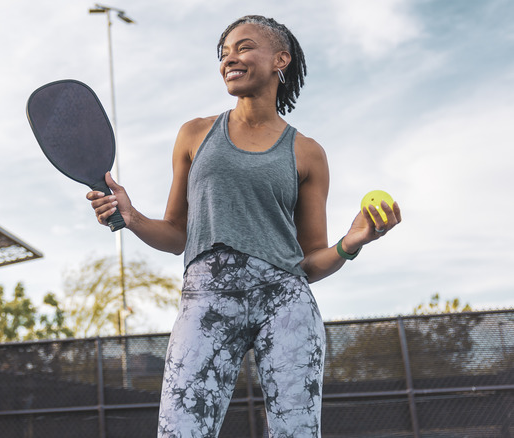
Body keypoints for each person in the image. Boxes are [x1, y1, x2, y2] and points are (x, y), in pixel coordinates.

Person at [86, 15, 401, 438]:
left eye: (244, 47)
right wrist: (134, 216)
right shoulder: (194, 134)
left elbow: (310, 263)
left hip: (286, 303)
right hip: (206, 299)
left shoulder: (308, 153)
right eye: (224, 53)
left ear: (280, 60)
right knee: (181, 430)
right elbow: (177, 235)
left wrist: (354, 241)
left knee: (297, 433)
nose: (229, 59)